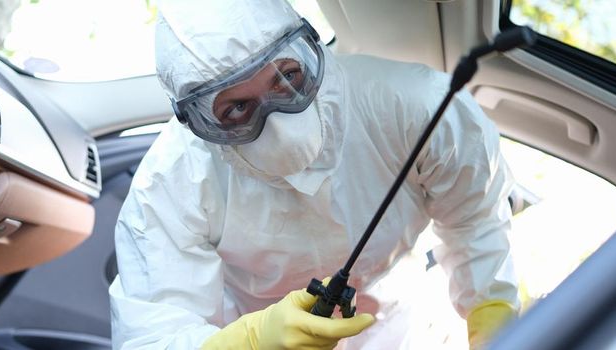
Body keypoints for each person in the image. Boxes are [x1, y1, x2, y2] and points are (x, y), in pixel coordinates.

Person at [109, 0, 519, 348]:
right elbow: (152, 333)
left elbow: (475, 220)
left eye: (287, 77)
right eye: (237, 108)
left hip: (394, 322)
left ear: (310, 49)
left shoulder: (418, 106)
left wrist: (491, 310)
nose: (281, 128)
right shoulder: (169, 184)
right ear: (199, 124)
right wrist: (251, 340)